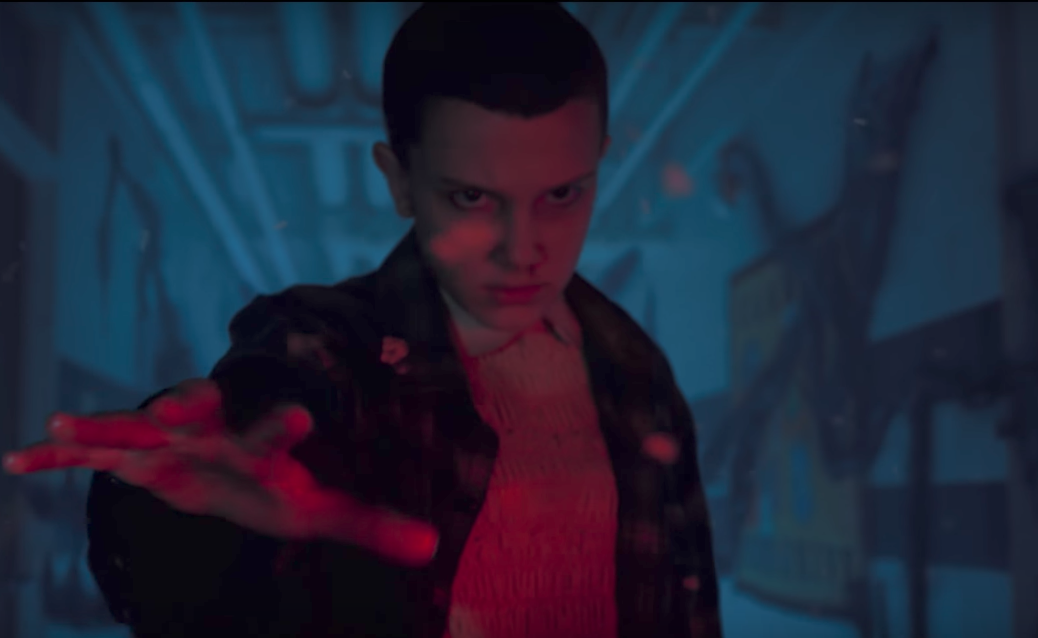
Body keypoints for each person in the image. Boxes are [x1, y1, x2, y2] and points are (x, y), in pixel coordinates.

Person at [3, 3, 721, 637]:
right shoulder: (327, 341)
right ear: (399, 180)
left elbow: (685, 603)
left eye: (561, 194)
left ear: (597, 163)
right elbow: (273, 398)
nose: (523, 248)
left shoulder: (635, 371)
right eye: (472, 197)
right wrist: (185, 524)